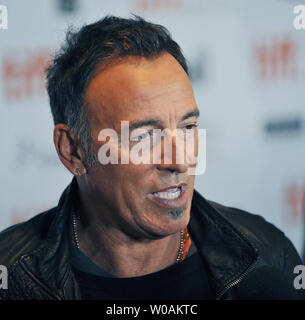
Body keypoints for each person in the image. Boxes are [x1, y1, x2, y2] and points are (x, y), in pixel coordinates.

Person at [0, 15, 303, 300]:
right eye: (143, 136)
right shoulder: (11, 276)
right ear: (72, 151)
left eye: (187, 127)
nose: (179, 161)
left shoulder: (266, 253)